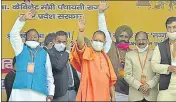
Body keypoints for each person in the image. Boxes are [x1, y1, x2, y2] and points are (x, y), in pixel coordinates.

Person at [8, 10, 55, 101]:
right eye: (30, 36)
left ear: (38, 38)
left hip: (38, 93)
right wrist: (23, 19)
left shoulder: (44, 53)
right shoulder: (20, 48)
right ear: (25, 38)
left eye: (35, 36)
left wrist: (51, 92)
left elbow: (49, 74)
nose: (32, 38)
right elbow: (13, 35)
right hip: (20, 92)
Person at [70, 15, 117, 101]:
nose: (98, 42)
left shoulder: (106, 59)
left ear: (104, 43)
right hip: (89, 96)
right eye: (96, 40)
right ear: (91, 41)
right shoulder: (87, 52)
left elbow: (111, 81)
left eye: (100, 41)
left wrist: (113, 97)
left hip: (104, 97)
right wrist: (81, 31)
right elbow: (80, 45)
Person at [98, 1, 133, 101]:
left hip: (126, 93)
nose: (123, 38)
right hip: (109, 92)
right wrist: (101, 14)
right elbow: (103, 30)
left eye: (126, 37)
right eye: (121, 36)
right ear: (116, 36)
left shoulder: (132, 53)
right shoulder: (110, 46)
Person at [124, 31, 159, 101]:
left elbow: (159, 74)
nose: (141, 42)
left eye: (143, 39)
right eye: (138, 40)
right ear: (135, 42)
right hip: (135, 96)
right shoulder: (129, 55)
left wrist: (148, 85)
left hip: (151, 96)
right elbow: (126, 75)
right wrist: (139, 86)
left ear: (148, 41)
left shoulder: (155, 53)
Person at [47, 30, 80, 101]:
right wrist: (67, 52)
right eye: (59, 42)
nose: (61, 44)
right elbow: (58, 66)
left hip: (73, 92)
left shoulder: (69, 52)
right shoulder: (50, 53)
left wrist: (76, 49)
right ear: (54, 41)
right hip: (60, 93)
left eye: (64, 42)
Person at [151, 17, 176, 101]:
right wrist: (168, 68)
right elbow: (154, 66)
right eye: (169, 27)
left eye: (174, 27)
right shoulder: (160, 46)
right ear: (166, 29)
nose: (172, 30)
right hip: (167, 88)